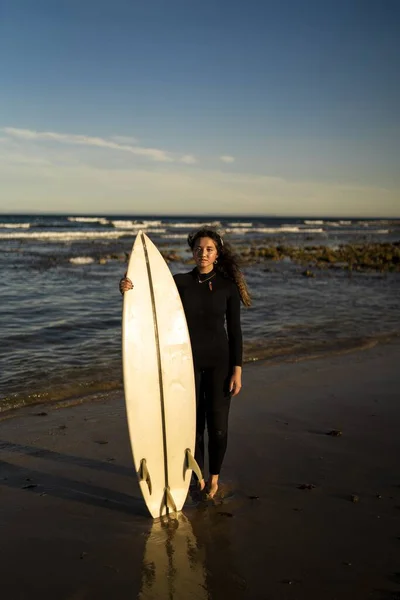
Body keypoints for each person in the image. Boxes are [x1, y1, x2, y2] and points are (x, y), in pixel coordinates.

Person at [119, 228, 251, 498]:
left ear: (217, 253)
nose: (203, 253)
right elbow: (149, 300)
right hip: (185, 363)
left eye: (209, 249)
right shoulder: (179, 282)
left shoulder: (227, 287)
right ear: (193, 252)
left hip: (220, 364)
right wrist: (126, 288)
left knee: (218, 425)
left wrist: (237, 369)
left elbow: (235, 331)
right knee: (192, 424)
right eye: (199, 249)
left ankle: (214, 477)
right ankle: (197, 477)